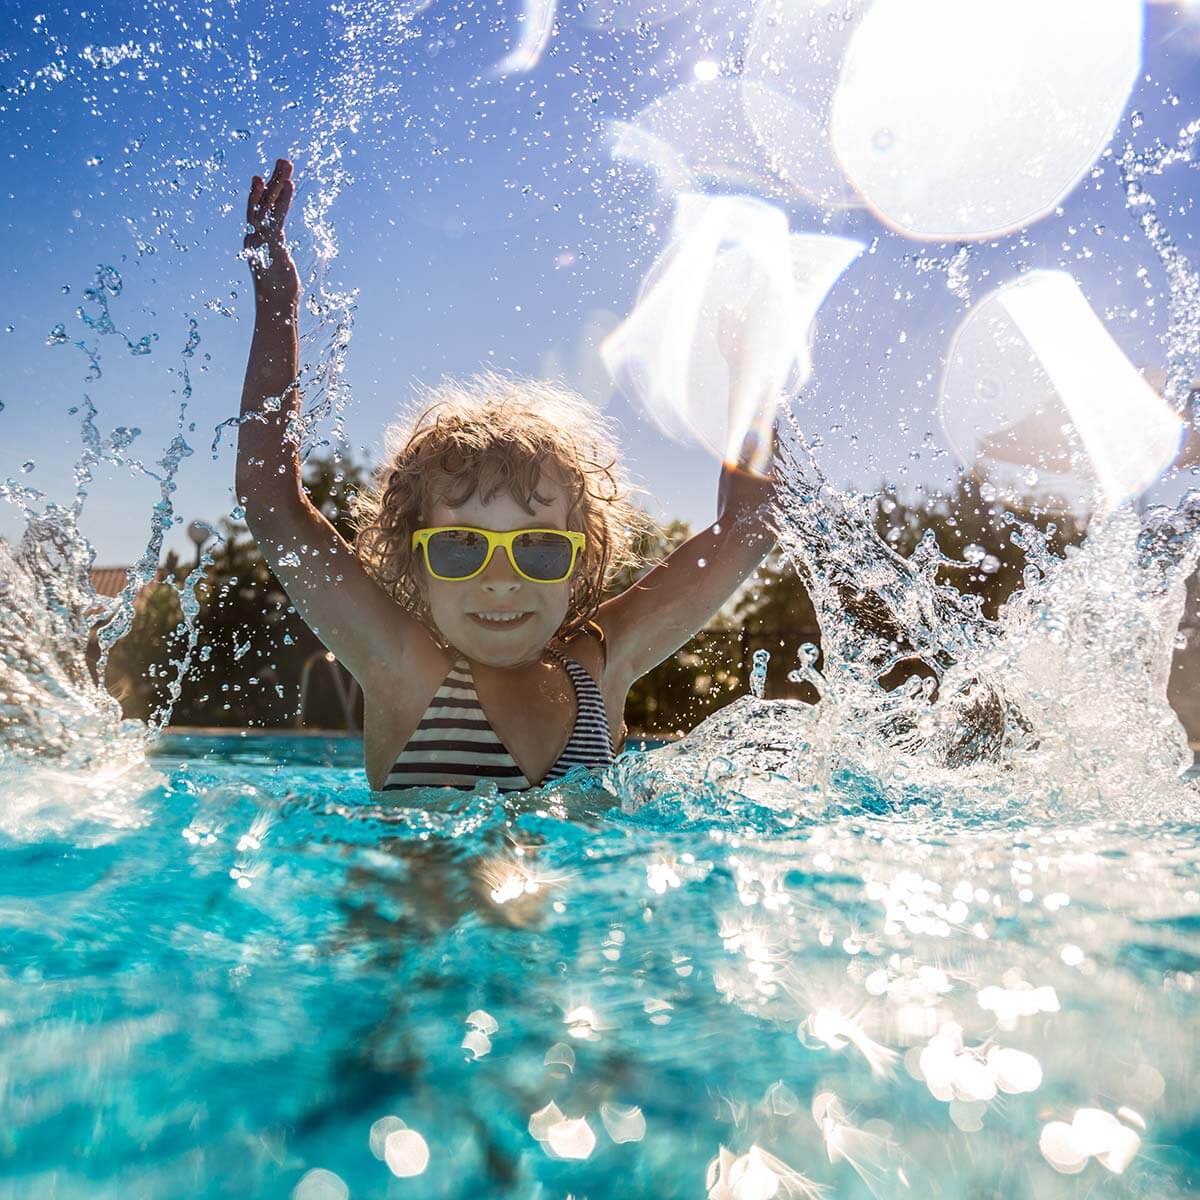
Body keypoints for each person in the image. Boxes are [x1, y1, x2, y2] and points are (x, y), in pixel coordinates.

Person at [237, 158, 775, 791]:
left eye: (539, 548)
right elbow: (270, 500)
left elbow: (750, 527)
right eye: (462, 545)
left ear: (581, 559)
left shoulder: (601, 666)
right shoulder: (401, 664)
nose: (500, 581)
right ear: (415, 558)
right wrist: (277, 302)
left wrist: (753, 372)